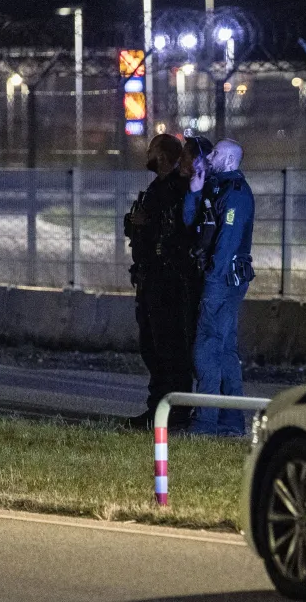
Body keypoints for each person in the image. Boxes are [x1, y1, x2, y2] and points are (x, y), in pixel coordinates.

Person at [124, 134, 197, 430]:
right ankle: (157, 408)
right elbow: (138, 225)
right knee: (152, 348)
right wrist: (135, 223)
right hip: (149, 279)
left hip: (169, 282)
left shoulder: (178, 189)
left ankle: (175, 411)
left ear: (163, 156)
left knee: (170, 349)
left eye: (152, 149)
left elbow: (178, 231)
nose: (148, 154)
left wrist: (147, 223)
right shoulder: (156, 188)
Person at [184, 138, 256, 436]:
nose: (210, 157)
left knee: (205, 347)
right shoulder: (216, 188)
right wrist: (194, 192)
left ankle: (205, 421)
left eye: (215, 153)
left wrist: (212, 280)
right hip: (219, 277)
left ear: (228, 160)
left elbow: (227, 243)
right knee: (224, 349)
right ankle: (231, 421)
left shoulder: (235, 194)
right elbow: (191, 223)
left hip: (223, 280)